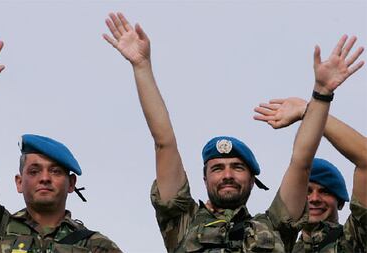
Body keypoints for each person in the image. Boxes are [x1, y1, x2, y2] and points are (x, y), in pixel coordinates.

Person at [103, 12, 364, 252]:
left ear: (253, 179)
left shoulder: (274, 226)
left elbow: (302, 162)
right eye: (217, 168)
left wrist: (321, 94)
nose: (227, 175)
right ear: (204, 179)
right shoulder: (182, 222)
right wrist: (141, 67)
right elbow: (164, 142)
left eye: (238, 167)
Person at [0, 34, 122, 253]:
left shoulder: (95, 246)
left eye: (55, 171)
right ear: (19, 181)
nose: (45, 178)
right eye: (34, 171)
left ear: (71, 183)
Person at [254, 93, 366, 252]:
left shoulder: (355, 240)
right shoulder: (277, 244)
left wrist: (309, 111)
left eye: (325, 191)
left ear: (340, 201)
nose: (314, 199)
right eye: (307, 191)